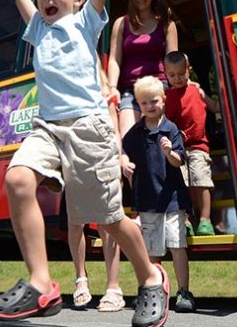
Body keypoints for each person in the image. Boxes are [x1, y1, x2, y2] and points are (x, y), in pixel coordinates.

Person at [0, 0, 171, 327]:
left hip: (88, 128)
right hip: (48, 127)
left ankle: (150, 277)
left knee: (109, 218)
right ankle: (41, 282)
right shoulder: (38, 30)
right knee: (17, 178)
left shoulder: (87, 20)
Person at [122, 75, 195, 313]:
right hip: (148, 200)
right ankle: (155, 291)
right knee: (152, 251)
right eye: (144, 103)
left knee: (177, 245)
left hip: (173, 199)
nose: (150, 106)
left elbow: (178, 161)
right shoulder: (136, 132)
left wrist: (169, 152)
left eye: (154, 101)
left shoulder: (170, 128)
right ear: (138, 105)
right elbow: (123, 150)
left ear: (163, 100)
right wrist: (124, 162)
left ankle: (184, 291)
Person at [67, 65, 125, 312]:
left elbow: (115, 130)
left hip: (104, 159)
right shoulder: (66, 97)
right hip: (74, 160)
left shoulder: (105, 94)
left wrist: (118, 158)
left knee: (109, 222)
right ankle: (81, 279)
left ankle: (113, 287)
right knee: (75, 222)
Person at [108, 0, 178, 139]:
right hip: (130, 90)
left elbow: (173, 59)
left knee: (158, 138)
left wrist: (182, 81)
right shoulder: (121, 23)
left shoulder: (167, 23)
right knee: (128, 138)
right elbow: (114, 59)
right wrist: (112, 88)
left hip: (158, 86)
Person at [164, 51, 220, 236]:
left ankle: (205, 220)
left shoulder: (197, 90)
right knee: (182, 184)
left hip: (198, 146)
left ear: (189, 70)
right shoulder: (167, 97)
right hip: (177, 149)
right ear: (166, 74)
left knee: (201, 180)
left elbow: (215, 108)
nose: (177, 78)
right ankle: (186, 220)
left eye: (181, 74)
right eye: (172, 75)